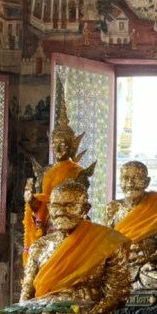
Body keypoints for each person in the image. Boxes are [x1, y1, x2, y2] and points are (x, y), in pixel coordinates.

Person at [0, 181, 131, 314]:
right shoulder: (40, 247)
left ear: (85, 208)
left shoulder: (106, 242)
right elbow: (27, 295)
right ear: (49, 208)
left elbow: (118, 293)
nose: (61, 212)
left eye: (69, 205)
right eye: (56, 206)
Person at [23, 96, 94, 263]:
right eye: (55, 143)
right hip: (44, 224)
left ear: (72, 146)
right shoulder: (46, 171)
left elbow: (81, 205)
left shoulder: (78, 173)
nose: (58, 147)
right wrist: (31, 199)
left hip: (69, 224)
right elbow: (38, 204)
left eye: (63, 143)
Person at [104, 160, 157, 288]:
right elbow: (105, 244)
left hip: (150, 267)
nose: (130, 183)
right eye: (125, 178)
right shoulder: (112, 208)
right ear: (119, 181)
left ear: (147, 182)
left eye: (136, 178)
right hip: (120, 267)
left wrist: (150, 258)